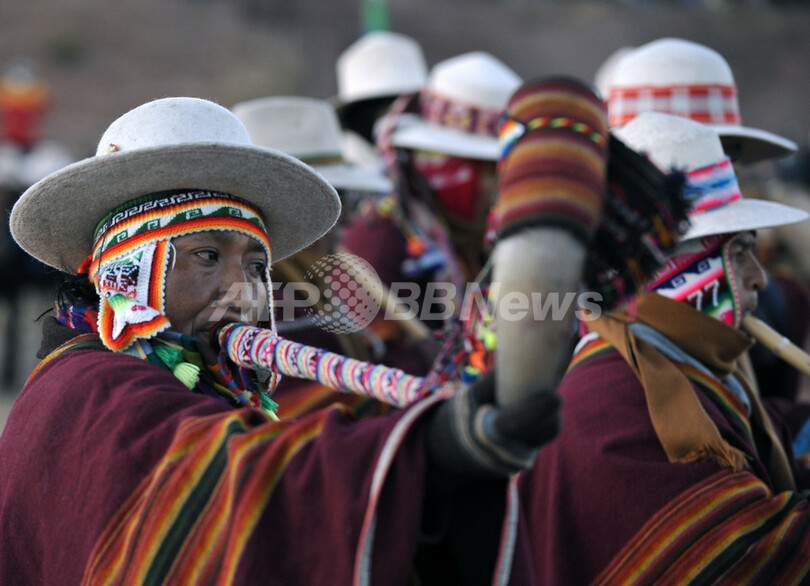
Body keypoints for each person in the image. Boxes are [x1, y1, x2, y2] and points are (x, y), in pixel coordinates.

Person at [0, 96, 568, 585]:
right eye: (206, 255)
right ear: (126, 274)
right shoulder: (88, 392)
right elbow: (243, 487)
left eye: (255, 266)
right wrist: (432, 450)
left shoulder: (186, 381)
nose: (242, 291)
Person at [514, 112, 810, 585]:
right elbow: (741, 561)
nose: (758, 277)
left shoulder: (690, 373)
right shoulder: (612, 400)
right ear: (662, 270)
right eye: (737, 253)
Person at [604, 36, 810, 402]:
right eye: (716, 153)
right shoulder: (598, 347)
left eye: (728, 155)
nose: (726, 170)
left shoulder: (779, 290)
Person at [231, 95, 433, 418]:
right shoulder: (273, 309)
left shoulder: (300, 292)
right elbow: (337, 417)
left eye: (349, 200)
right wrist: (424, 366)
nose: (350, 218)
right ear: (285, 214)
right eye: (337, 202)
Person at [340, 51, 522, 335]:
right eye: (490, 172)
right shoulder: (377, 247)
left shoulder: (479, 245)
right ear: (439, 169)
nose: (503, 188)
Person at [332, 30, 428, 174]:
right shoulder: (343, 168)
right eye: (387, 109)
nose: (396, 120)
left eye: (408, 107)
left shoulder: (439, 165)